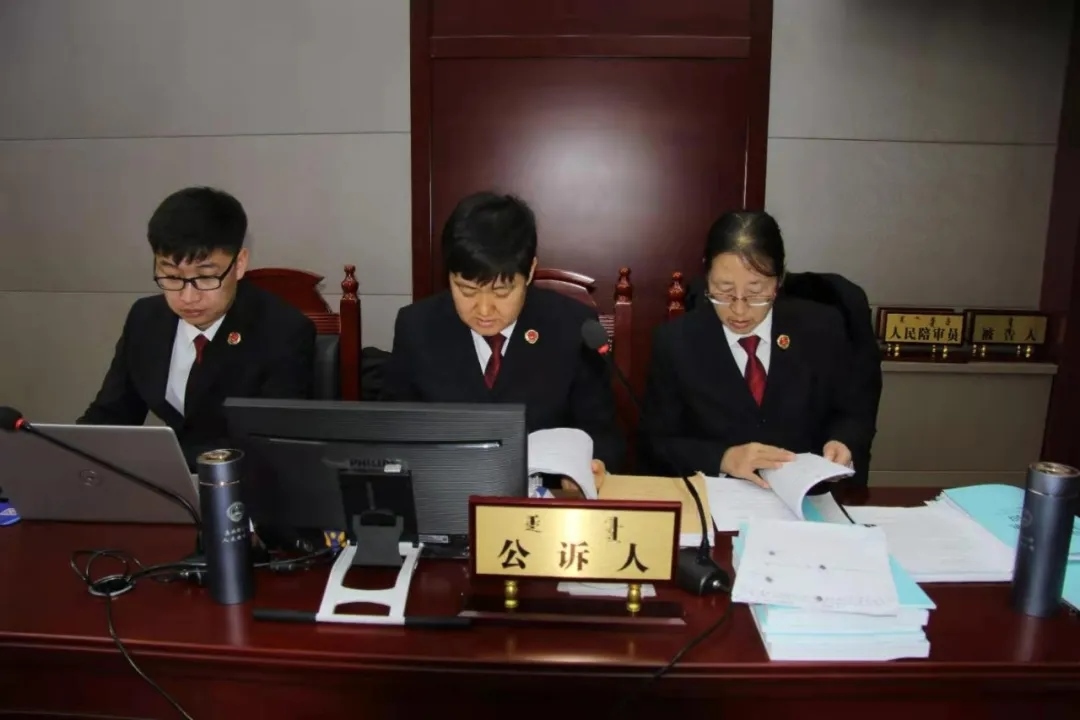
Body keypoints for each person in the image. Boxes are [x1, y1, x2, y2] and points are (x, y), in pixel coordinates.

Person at [382, 191, 624, 488]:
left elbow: (602, 434)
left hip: (543, 501)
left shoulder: (572, 327)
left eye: (501, 292)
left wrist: (591, 467)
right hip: (444, 493)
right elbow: (391, 431)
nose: (484, 310)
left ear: (530, 271)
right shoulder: (416, 327)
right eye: (467, 290)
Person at [79, 187, 316, 468]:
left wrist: (158, 462)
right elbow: (112, 415)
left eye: (205, 277)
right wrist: (72, 451)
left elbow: (268, 443)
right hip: (167, 479)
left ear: (239, 263)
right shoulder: (145, 318)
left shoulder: (282, 331)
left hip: (244, 482)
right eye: (171, 276)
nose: (188, 297)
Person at [638, 210, 875, 487]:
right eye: (724, 290)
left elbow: (854, 412)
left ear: (779, 280)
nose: (739, 310)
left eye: (755, 292)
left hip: (807, 499)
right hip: (717, 498)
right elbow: (655, 443)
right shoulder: (676, 341)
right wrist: (722, 459)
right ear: (706, 275)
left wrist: (844, 442)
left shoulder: (821, 329)